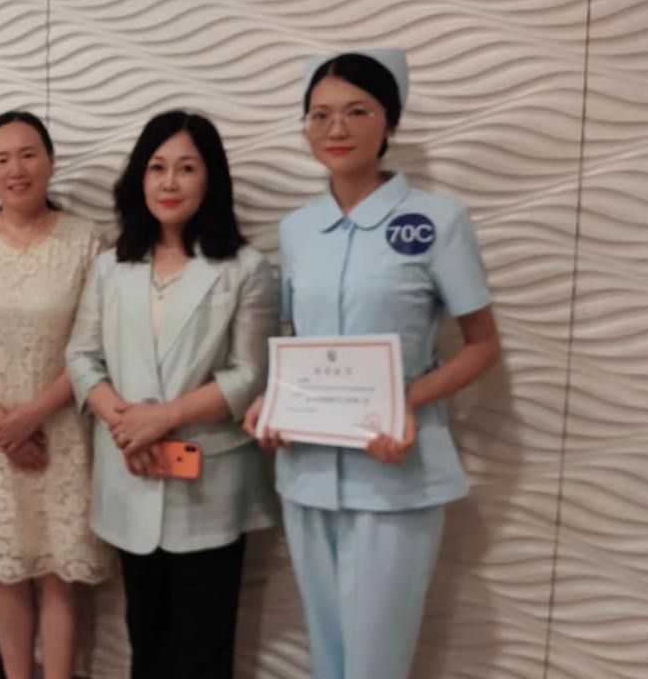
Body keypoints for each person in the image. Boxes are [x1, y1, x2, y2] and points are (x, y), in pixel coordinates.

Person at [243, 48, 502, 679]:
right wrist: (273, 402)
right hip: (307, 470)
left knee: (375, 662)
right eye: (320, 114)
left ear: (390, 121)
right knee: (326, 652)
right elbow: (299, 342)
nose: (336, 128)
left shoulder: (438, 220)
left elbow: (482, 345)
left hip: (395, 471)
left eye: (357, 111)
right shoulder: (298, 230)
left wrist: (403, 402)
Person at [65, 111, 277, 678]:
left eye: (187, 168)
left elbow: (250, 374)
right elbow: (81, 357)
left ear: (211, 179)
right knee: (146, 637)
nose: (169, 182)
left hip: (210, 482)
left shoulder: (244, 268)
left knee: (204, 647)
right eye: (157, 168)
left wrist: (161, 419)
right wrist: (124, 424)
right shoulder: (111, 267)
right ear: (139, 178)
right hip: (130, 470)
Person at [0, 111, 112, 679]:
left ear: (51, 162)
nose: (16, 169)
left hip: (61, 431)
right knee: (7, 574)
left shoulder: (87, 240)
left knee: (58, 575)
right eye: (2, 159)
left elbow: (96, 346)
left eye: (28, 154)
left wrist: (30, 417)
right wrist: (3, 426)